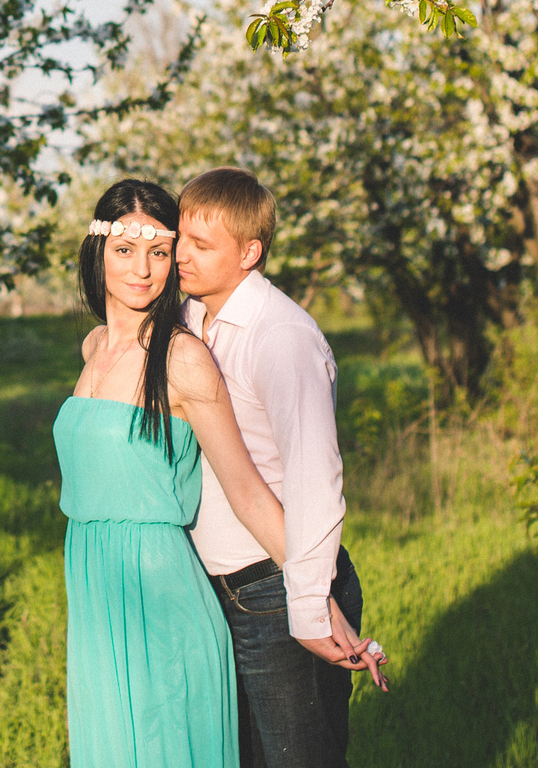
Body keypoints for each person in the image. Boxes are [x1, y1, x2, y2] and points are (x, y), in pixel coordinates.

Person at [58, 178, 304, 768]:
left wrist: (322, 591)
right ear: (99, 252)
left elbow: (247, 491)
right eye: (125, 251)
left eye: (159, 252)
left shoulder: (182, 358)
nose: (142, 269)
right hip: (95, 594)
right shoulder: (94, 347)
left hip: (160, 600)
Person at [176, 166, 384, 768]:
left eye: (201, 244)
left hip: (276, 586)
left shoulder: (281, 336)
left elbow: (314, 478)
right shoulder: (193, 319)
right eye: (182, 237)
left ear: (249, 252)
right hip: (217, 589)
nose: (181, 256)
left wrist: (309, 608)